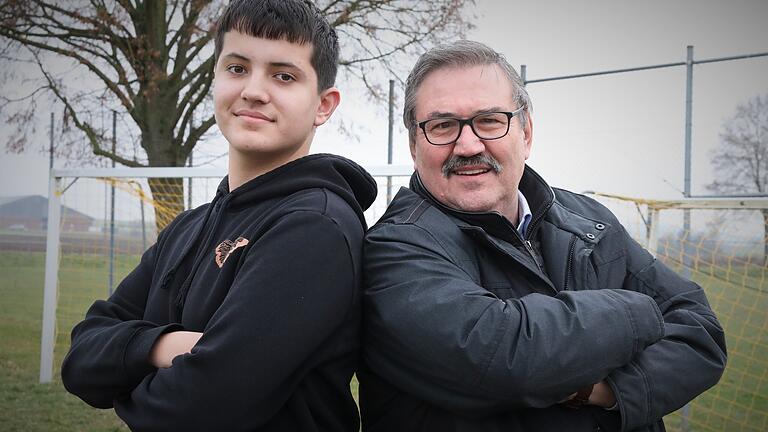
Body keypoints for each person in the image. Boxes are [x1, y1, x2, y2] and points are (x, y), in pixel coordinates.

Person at [359, 40, 726, 432]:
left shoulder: (587, 220)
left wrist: (607, 391)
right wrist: (641, 311)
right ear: (415, 146)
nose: (467, 145)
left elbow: (702, 330)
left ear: (526, 133)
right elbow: (506, 358)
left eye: (489, 120)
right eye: (442, 125)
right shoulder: (394, 249)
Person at [61, 1, 376, 430]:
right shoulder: (188, 227)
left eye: (284, 76)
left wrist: (124, 385)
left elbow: (200, 409)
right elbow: (80, 358)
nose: (253, 90)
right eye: (237, 68)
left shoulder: (315, 227)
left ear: (324, 104)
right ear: (216, 80)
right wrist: (164, 346)